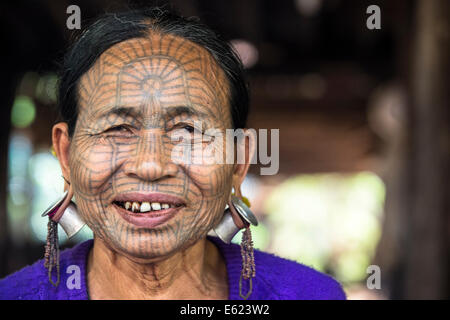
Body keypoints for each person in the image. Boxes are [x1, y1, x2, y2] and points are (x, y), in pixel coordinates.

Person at [0, 8, 345, 300]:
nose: (150, 165)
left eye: (188, 132)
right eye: (117, 129)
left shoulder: (309, 294)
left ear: (238, 160)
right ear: (66, 154)